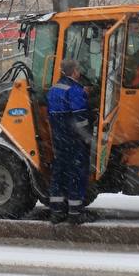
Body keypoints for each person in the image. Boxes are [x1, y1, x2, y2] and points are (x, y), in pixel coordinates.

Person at [46, 58, 95, 225]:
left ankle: (57, 212)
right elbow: (80, 116)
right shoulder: (74, 90)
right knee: (76, 173)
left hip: (58, 137)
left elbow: (52, 113)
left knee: (59, 172)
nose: (79, 73)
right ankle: (75, 213)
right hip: (74, 138)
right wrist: (87, 136)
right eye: (78, 70)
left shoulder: (54, 89)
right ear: (74, 72)